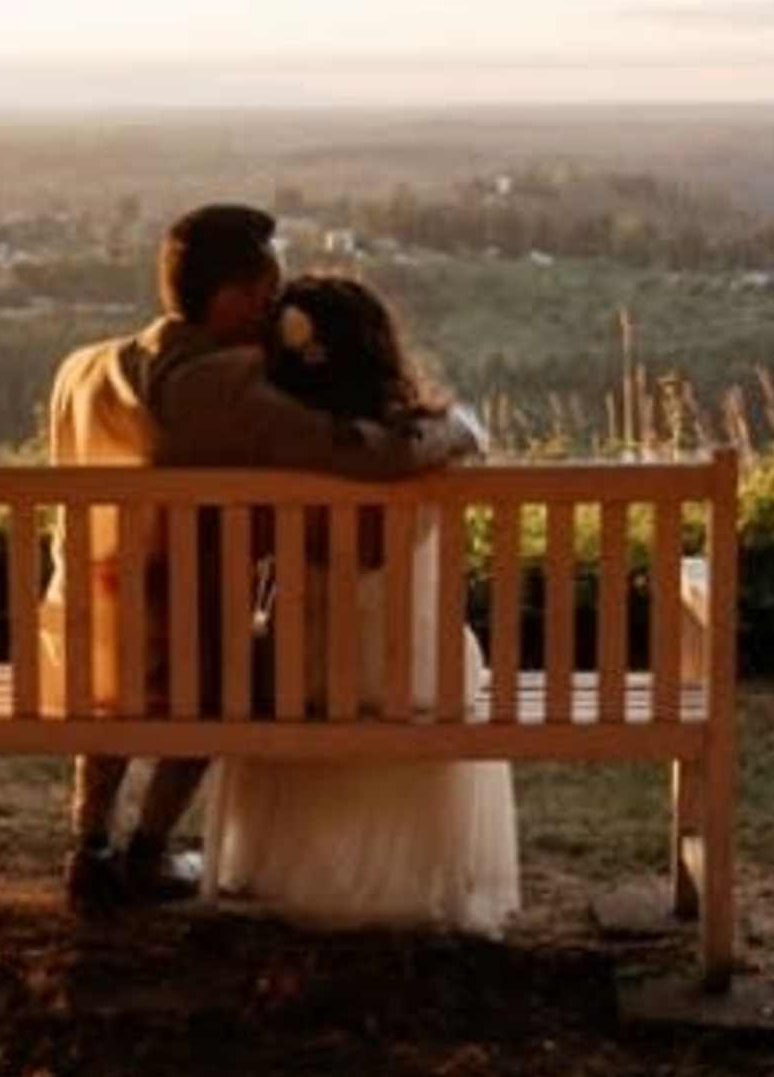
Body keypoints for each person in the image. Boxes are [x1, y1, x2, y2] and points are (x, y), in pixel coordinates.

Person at [43, 205, 480, 912]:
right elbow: (371, 453)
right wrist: (457, 426)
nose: (275, 306)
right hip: (183, 657)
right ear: (234, 298)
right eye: (268, 290)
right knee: (229, 657)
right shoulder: (223, 388)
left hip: (80, 634)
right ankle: (148, 849)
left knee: (127, 634)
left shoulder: (84, 369)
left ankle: (90, 844)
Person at [203, 272, 521, 935]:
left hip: (304, 676)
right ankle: (417, 878)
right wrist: (458, 422)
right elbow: (454, 442)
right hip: (420, 674)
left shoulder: (268, 455)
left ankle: (279, 866)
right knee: (442, 653)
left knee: (268, 658)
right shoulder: (429, 443)